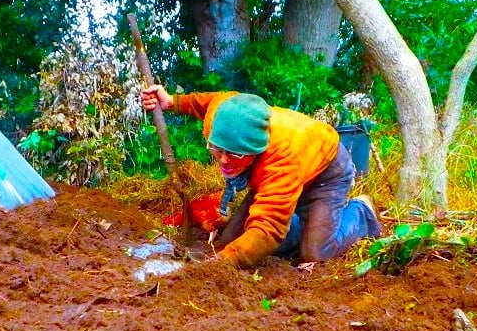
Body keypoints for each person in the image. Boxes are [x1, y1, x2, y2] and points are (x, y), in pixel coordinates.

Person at [140, 85, 382, 269]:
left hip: (325, 173)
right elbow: (210, 101)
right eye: (216, 149)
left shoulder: (281, 161)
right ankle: (301, 219)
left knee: (315, 253)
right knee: (230, 241)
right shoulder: (224, 114)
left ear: (256, 151)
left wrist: (216, 266)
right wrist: (172, 101)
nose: (223, 160)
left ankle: (361, 212)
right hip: (278, 175)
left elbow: (268, 229)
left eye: (234, 154)